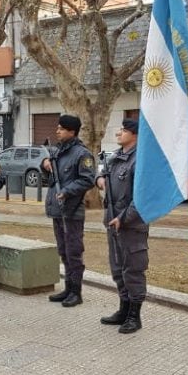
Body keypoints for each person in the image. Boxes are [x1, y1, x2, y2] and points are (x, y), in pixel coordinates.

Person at [96, 119, 149, 334]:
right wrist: (100, 179)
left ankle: (134, 316)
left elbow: (142, 198)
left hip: (131, 225)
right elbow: (101, 171)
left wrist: (124, 218)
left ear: (135, 135)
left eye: (124, 130)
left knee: (133, 270)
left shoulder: (141, 160)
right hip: (112, 222)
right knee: (117, 269)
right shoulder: (116, 156)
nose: (119, 133)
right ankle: (123, 308)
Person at [39, 115, 95, 307]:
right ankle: (68, 288)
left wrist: (67, 191)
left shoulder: (82, 154)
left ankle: (76, 292)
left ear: (72, 132)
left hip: (72, 209)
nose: (57, 131)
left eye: (62, 128)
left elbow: (87, 179)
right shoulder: (57, 151)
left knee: (73, 252)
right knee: (63, 250)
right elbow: (50, 175)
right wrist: (45, 165)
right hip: (57, 209)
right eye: (58, 128)